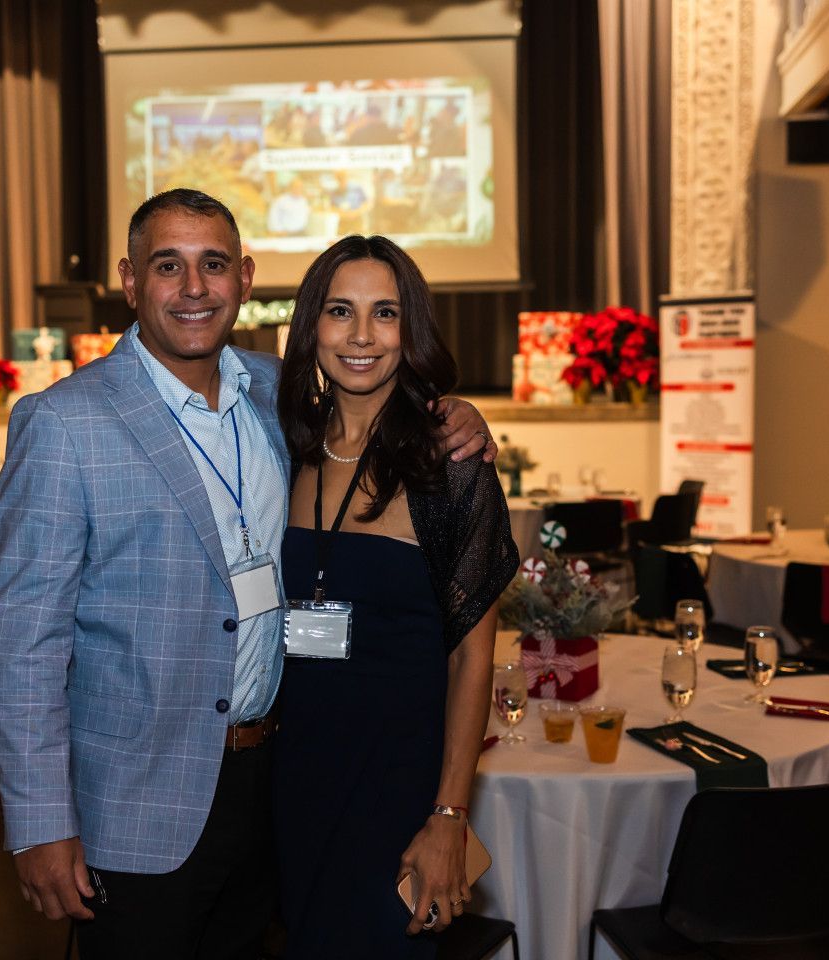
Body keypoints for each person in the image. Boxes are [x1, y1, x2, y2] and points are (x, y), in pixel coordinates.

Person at [0, 188, 496, 960]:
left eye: (213, 265)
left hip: (271, 786)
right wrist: (39, 823)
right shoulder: (63, 423)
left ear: (246, 279)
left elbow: (385, 415)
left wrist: (456, 416)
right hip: (138, 810)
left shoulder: (273, 396)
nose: (194, 288)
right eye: (169, 265)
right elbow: (24, 644)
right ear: (130, 282)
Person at [272, 235, 518, 959]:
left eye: (385, 314)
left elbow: (475, 659)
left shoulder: (451, 467)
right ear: (310, 325)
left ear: (411, 330)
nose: (360, 336)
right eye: (340, 311)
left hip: (400, 791)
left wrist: (448, 815)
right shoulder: (284, 449)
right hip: (295, 782)